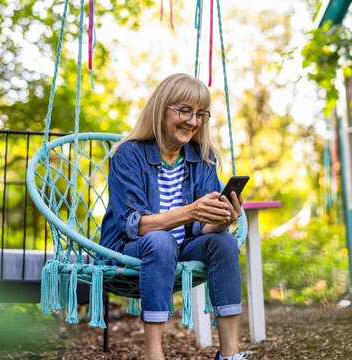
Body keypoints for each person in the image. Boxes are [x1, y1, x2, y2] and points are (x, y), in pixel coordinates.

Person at [100, 73, 247, 360]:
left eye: (200, 114)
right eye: (184, 111)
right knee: (161, 240)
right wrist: (190, 211)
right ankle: (155, 355)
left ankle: (230, 355)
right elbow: (134, 225)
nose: (192, 121)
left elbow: (202, 228)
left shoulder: (203, 157)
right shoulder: (128, 154)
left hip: (182, 248)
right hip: (129, 249)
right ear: (161, 109)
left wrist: (224, 219)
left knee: (224, 242)